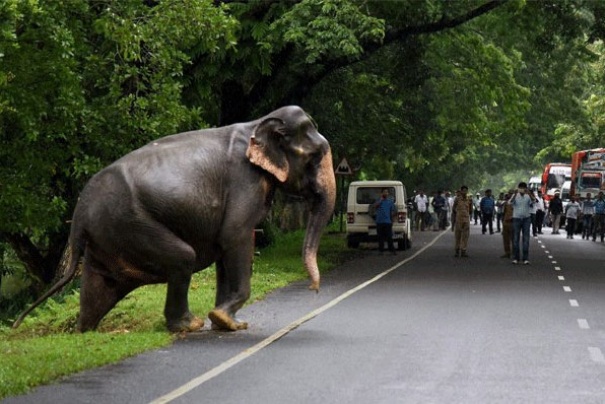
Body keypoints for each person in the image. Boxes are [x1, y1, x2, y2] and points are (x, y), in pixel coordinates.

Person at [509, 182, 536, 265]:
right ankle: (516, 258)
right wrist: (514, 194)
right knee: (516, 239)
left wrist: (529, 193)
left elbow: (534, 202)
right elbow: (510, 203)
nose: (522, 190)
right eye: (520, 188)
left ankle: (525, 258)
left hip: (526, 219)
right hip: (516, 218)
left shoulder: (528, 196)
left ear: (525, 188)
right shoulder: (515, 196)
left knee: (526, 239)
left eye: (523, 188)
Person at [372, 188, 397, 254]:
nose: (385, 193)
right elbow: (374, 206)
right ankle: (381, 250)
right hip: (379, 221)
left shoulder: (390, 201)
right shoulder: (378, 200)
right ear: (381, 193)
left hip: (388, 222)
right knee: (380, 237)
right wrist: (380, 200)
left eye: (387, 192)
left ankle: (391, 250)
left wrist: (392, 219)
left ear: (388, 194)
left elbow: (394, 211)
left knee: (389, 237)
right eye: (384, 192)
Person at [453, 185, 473, 257]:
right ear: (461, 191)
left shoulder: (469, 200)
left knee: (465, 236)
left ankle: (463, 250)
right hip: (459, 219)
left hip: (466, 219)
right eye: (463, 190)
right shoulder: (457, 199)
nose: (464, 192)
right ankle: (457, 250)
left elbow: (471, 210)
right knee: (458, 235)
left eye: (466, 190)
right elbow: (454, 209)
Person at [500, 190, 514, 258]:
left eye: (511, 193)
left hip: (513, 222)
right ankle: (507, 252)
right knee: (505, 239)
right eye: (509, 193)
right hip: (506, 222)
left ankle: (514, 253)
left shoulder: (516, 203)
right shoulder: (505, 203)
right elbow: (503, 213)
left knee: (513, 239)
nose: (510, 195)